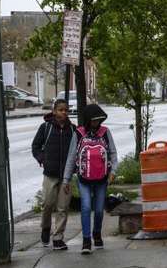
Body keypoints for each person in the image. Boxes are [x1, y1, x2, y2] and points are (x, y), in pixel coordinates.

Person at [62, 104, 118, 254]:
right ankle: (86, 240)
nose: (96, 123)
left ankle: (97, 233)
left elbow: (113, 153)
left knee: (99, 210)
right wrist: (66, 179)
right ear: (87, 120)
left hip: (102, 178)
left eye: (98, 120)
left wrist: (113, 171)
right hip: (83, 178)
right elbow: (71, 157)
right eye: (93, 120)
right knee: (86, 207)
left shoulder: (105, 132)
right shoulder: (79, 134)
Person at [30, 99, 74, 251]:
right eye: (61, 110)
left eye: (66, 110)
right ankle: (46, 228)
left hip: (66, 176)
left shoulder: (72, 130)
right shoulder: (46, 127)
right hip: (50, 173)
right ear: (54, 111)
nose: (64, 112)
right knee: (48, 204)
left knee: (63, 207)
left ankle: (58, 238)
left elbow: (77, 150)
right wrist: (42, 159)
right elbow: (36, 146)